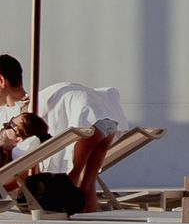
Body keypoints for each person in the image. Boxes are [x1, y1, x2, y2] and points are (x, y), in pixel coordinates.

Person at [0, 54, 119, 208]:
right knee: (87, 184)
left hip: (89, 120)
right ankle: (89, 222)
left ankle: (81, 221)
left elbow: (25, 165)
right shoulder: (37, 101)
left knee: (73, 183)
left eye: (9, 126)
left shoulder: (29, 111)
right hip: (107, 121)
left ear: (1, 81)